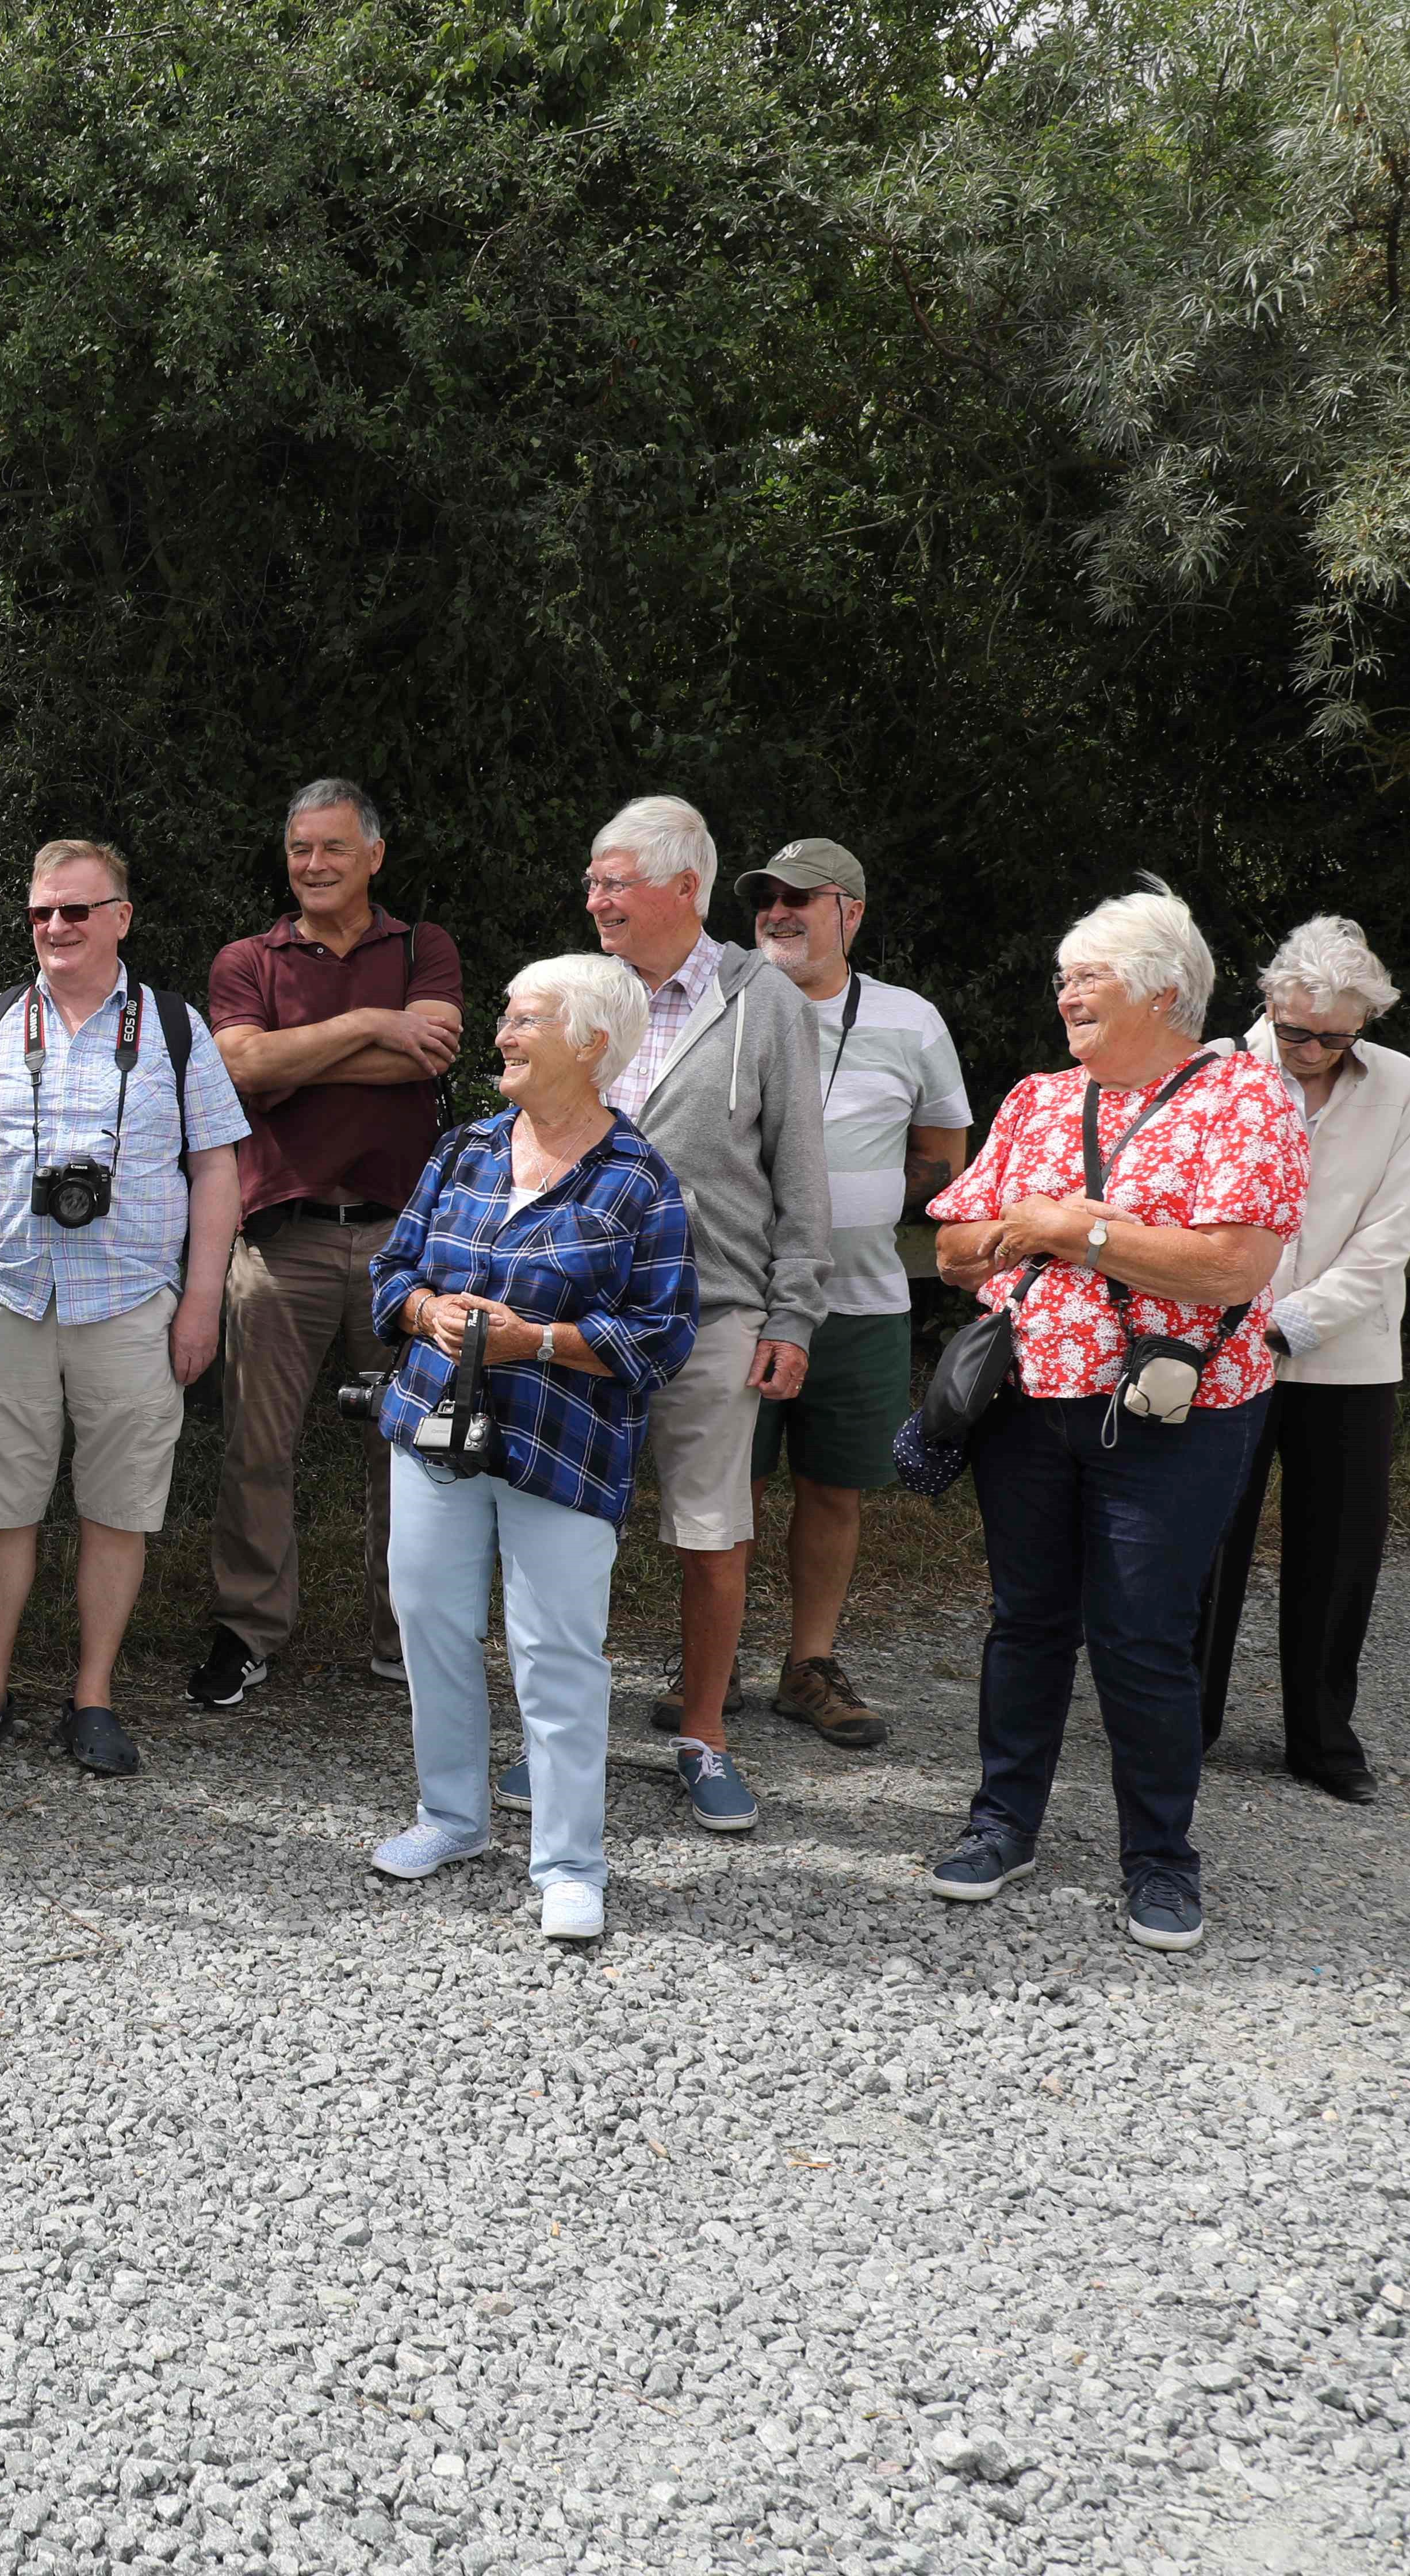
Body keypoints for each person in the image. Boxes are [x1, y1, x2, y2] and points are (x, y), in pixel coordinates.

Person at [926, 883, 1303, 1952]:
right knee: (1027, 1622)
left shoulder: (1245, 1100)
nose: (1064, 997)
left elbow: (1233, 1262)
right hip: (1027, 1404)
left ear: (1164, 990)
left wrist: (1071, 1232)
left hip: (1171, 1416)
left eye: (1086, 977)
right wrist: (1055, 1230)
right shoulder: (1039, 1099)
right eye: (1062, 979)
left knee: (1141, 1638)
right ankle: (1003, 1824)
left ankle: (1160, 1860)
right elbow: (953, 1247)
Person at [365, 957, 699, 1944]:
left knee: (556, 1652)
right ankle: (452, 1821)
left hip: (565, 1444)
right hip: (434, 1427)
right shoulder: (463, 1148)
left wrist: (536, 1342)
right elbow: (389, 1274)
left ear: (592, 1045)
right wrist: (426, 1312)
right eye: (506, 1018)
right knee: (428, 1618)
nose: (502, 1035)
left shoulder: (639, 1180)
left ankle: (567, 1864)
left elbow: (663, 1334)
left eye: (525, 1021)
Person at [0, 838, 251, 1778]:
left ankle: (93, 1696)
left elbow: (215, 1166)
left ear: (120, 918)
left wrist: (198, 1305)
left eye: (75, 910)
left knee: (118, 1510)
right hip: (9, 1300)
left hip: (131, 1306)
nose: (55, 928)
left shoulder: (174, 1029)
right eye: (39, 913)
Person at [544, 793, 830, 1837]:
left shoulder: (768, 1003)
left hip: (713, 1312)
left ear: (682, 886)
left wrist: (790, 1317)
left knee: (712, 1535)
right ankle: (558, 1741)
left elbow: (801, 1175)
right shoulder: (575, 993)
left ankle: (704, 1735)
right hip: (576, 1315)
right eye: (591, 881)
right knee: (565, 1528)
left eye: (612, 880)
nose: (594, 899)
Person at [194, 779, 463, 1708]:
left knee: (411, 1447)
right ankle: (247, 1630)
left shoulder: (422, 947)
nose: (312, 865)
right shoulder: (247, 959)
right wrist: (364, 1026)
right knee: (255, 1450)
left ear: (374, 856)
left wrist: (293, 1055)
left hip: (404, 1244)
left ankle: (409, 1636)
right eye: (300, 849)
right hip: (279, 1242)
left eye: (333, 850)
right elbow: (236, 1067)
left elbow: (429, 1052)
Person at [733, 839, 970, 1746]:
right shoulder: (719, 1002)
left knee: (833, 1489)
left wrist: (874, 1199)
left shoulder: (909, 1020)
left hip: (862, 1299)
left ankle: (808, 1664)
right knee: (728, 1485)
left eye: (803, 897)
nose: (779, 911)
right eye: (767, 898)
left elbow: (944, 1149)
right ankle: (708, 1660)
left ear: (852, 914)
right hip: (737, 1296)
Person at [1196, 915, 1410, 1804]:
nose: (1310, 1051)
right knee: (1209, 1539)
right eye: (1295, 1031)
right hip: (1224, 1348)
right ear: (1267, 1001)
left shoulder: (1403, 1086)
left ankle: (1322, 1739)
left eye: (1335, 1038)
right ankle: (1186, 1722)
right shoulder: (1215, 1070)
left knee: (1339, 1553)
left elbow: (1387, 1239)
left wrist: (1287, 1321)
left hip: (1349, 1355)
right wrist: (1242, 1323)